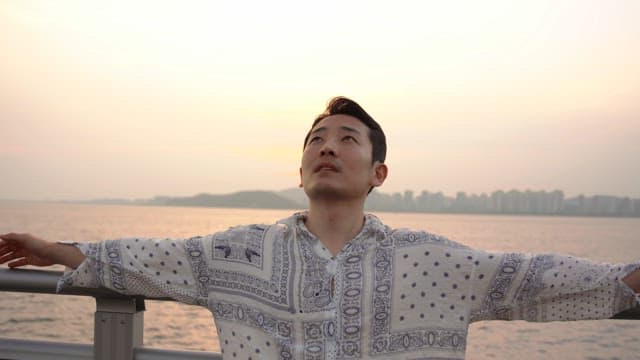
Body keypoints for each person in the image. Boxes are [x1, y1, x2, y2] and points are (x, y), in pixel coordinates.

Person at [1, 96, 639, 359]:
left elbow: (530, 279)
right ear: (301, 167)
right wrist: (51, 248)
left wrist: (631, 280)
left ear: (379, 173)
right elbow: (151, 257)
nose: (327, 147)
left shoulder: (436, 261)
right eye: (315, 140)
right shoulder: (237, 253)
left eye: (347, 139)